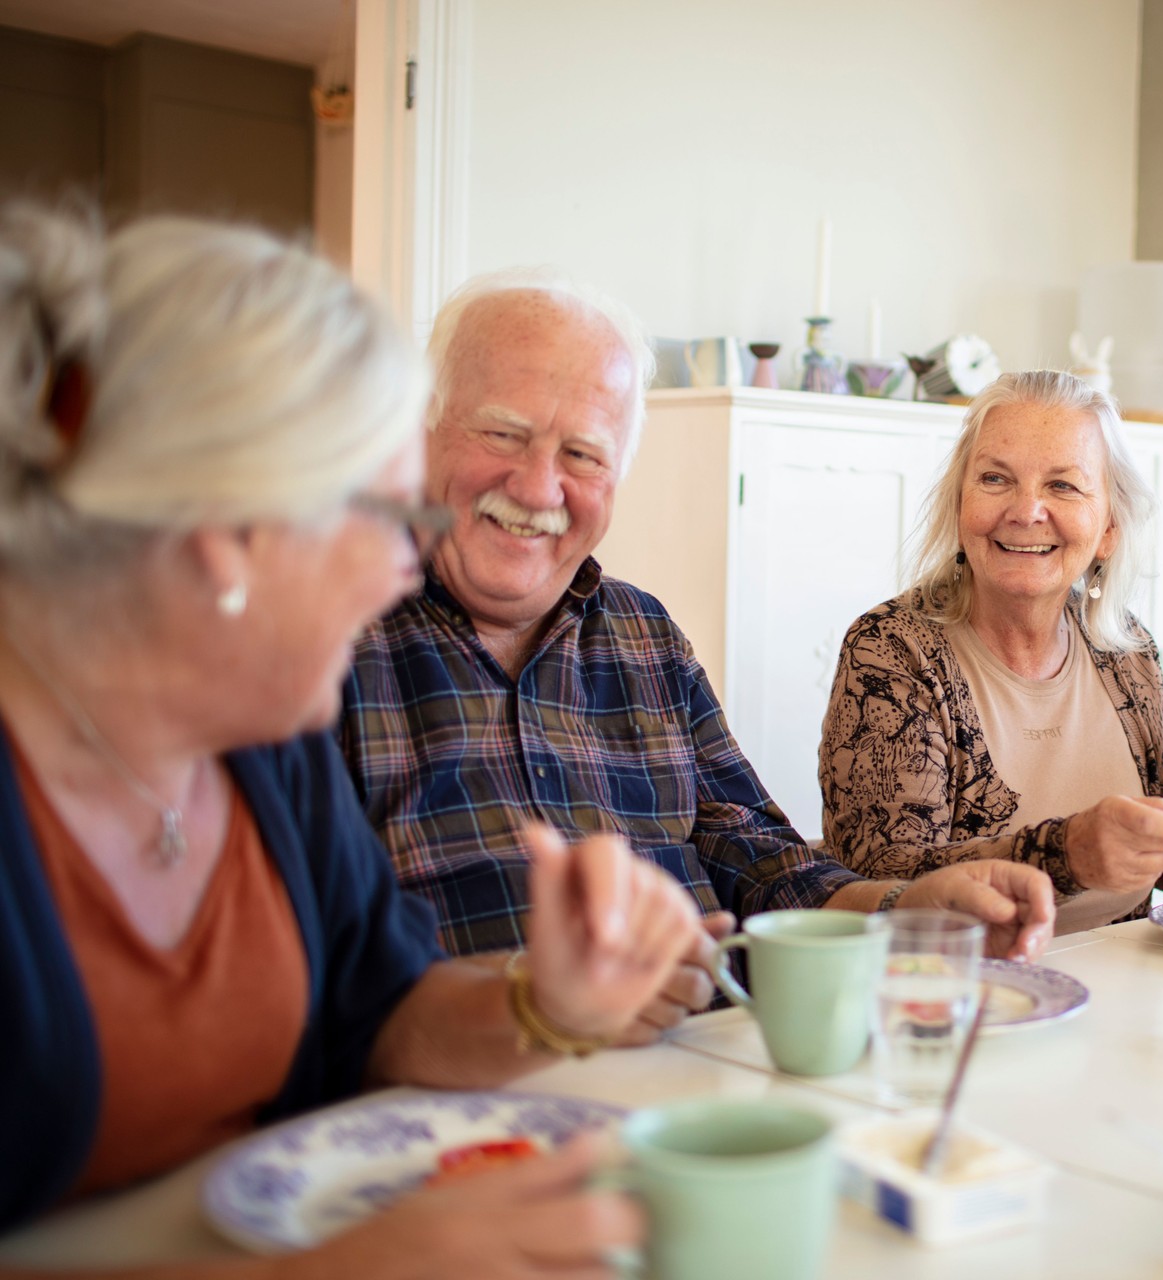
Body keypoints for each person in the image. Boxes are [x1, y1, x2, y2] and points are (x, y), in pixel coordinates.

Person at [0, 207, 695, 1268]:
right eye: (387, 518)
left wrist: (542, 1002)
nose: (404, 571)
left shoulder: (255, 740)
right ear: (231, 534)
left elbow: (388, 1012)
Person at [337, 269, 1055, 996]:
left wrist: (909, 908)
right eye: (502, 433)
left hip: (710, 1061)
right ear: (418, 431)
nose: (536, 487)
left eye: (582, 455)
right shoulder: (330, 642)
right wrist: (534, 1010)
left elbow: (757, 858)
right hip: (477, 1096)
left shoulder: (643, 635)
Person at [817, 371, 1163, 932]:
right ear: (960, 505)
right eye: (994, 478)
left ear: (1108, 526)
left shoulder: (1124, 650)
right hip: (960, 989)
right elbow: (887, 881)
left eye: (1062, 485)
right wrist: (1070, 851)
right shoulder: (892, 650)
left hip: (1118, 981)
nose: (1026, 510)